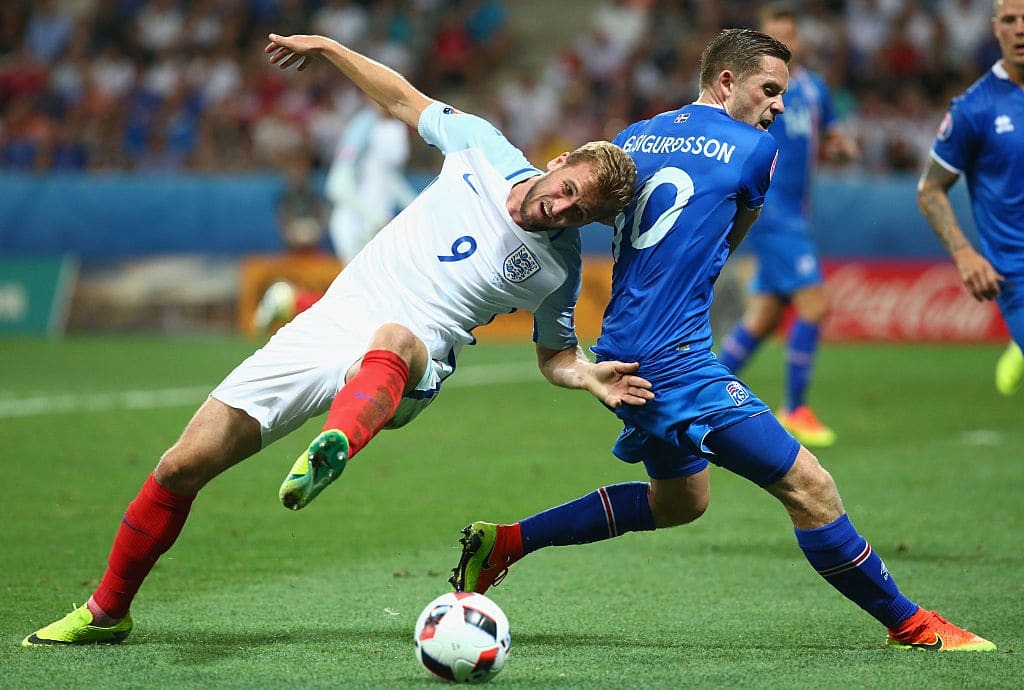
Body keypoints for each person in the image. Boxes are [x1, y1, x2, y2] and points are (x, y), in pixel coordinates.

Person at [22, 31, 651, 646]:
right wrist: (328, 48)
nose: (563, 212)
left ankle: (336, 444)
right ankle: (107, 612)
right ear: (560, 160)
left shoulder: (560, 268)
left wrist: (587, 372)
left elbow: (556, 354)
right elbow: (402, 97)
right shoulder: (481, 147)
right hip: (328, 326)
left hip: (413, 366)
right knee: (182, 465)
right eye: (569, 192)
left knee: (398, 336)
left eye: (582, 215)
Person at [450, 28, 996, 652]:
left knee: (681, 501)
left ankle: (507, 542)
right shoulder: (754, 150)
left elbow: (592, 214)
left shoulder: (634, 137)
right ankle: (913, 625)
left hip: (623, 343)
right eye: (770, 90)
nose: (779, 106)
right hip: (674, 363)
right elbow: (732, 233)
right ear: (727, 81)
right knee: (810, 487)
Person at [716, 2, 858, 447]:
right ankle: (794, 407)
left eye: (790, 34)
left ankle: (704, 392)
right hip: (771, 211)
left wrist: (840, 148)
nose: (785, 41)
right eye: (774, 34)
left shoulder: (815, 90)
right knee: (813, 305)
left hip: (797, 214)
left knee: (763, 318)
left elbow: (829, 135)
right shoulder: (751, 89)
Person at [917, 0, 1024, 397]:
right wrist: (964, 253)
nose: (1020, 29)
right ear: (996, 29)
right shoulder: (974, 109)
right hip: (1017, 272)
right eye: (1010, 21)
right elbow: (929, 190)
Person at [251, 96, 416, 332]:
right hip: (356, 222)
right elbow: (336, 186)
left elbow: (388, 178)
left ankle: (290, 301)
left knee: (369, 297)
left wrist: (417, 205)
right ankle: (291, 302)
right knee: (369, 296)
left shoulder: (397, 127)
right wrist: (373, 217)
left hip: (380, 222)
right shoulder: (361, 128)